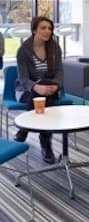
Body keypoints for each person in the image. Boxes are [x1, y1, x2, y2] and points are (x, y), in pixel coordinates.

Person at [15, 16, 63, 164]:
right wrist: (37, 87)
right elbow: (23, 79)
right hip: (27, 91)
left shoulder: (54, 47)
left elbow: (60, 72)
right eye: (43, 28)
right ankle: (45, 143)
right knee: (41, 100)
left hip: (50, 88)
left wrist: (56, 85)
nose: (47, 31)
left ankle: (24, 129)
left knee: (45, 94)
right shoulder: (24, 50)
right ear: (34, 30)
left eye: (49, 28)